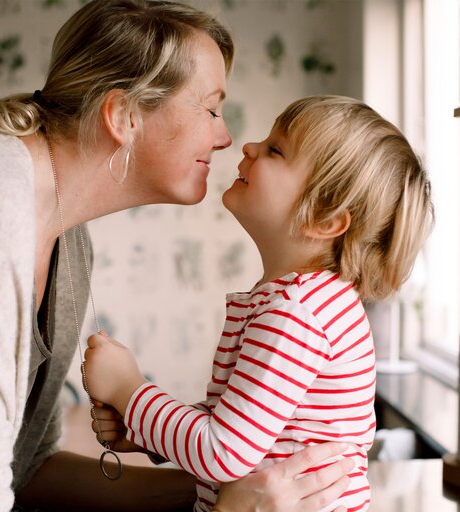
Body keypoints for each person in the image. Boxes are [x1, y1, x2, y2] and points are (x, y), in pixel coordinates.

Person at [0, 1, 352, 510]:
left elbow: (25, 469)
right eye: (210, 108)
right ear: (123, 116)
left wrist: (219, 492)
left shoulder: (66, 239)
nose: (227, 138)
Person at [84, 95, 435, 512]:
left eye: (275, 149)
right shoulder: (310, 300)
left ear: (325, 220)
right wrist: (145, 430)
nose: (249, 147)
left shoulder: (295, 312)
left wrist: (129, 390)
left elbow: (222, 453)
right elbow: (245, 424)